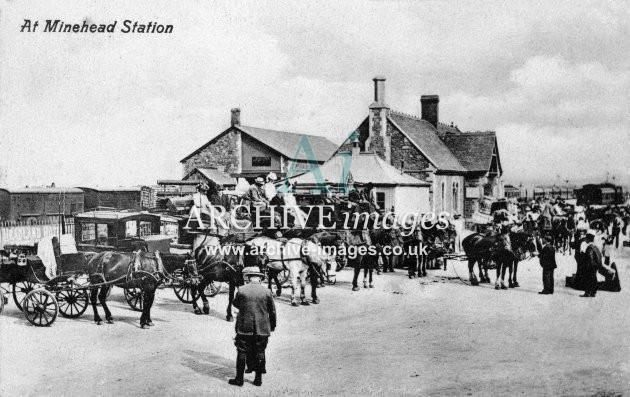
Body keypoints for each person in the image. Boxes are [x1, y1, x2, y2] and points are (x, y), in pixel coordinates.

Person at [229, 267, 277, 387]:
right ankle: (258, 380)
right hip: (262, 327)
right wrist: (272, 326)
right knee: (260, 352)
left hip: (244, 327)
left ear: (249, 278)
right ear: (260, 279)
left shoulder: (242, 290)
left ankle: (239, 380)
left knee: (241, 351)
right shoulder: (267, 292)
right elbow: (272, 311)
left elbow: (235, 303)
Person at [581, 230, 602, 298]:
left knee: (588, 279)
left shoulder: (589, 247)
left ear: (588, 239)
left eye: (586, 239)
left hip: (590, 266)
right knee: (594, 279)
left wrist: (586, 265)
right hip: (595, 266)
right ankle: (593, 292)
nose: (585, 240)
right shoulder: (595, 247)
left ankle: (587, 293)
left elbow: (590, 258)